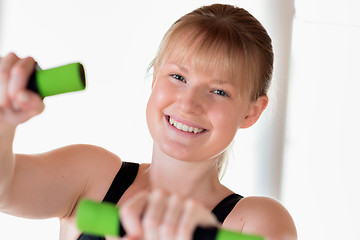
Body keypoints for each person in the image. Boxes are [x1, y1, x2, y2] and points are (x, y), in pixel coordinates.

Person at [0, 3, 297, 240]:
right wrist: (3, 121)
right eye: (178, 77)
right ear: (155, 78)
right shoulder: (91, 174)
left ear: (251, 112)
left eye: (219, 91)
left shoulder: (255, 221)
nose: (189, 103)